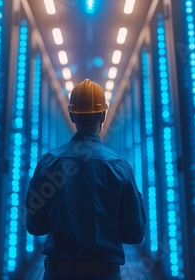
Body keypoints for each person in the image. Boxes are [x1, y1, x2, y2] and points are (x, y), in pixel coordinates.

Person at [25, 79, 146, 280]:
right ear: (103, 115)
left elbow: (35, 226)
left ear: (72, 115)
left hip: (57, 274)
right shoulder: (119, 166)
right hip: (104, 274)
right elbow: (135, 234)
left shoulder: (49, 163)